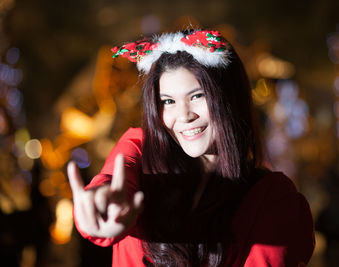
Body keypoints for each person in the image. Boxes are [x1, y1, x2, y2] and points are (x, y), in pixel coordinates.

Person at [68, 29, 315, 267]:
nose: (184, 116)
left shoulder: (272, 198)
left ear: (229, 97)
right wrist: (101, 208)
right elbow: (112, 183)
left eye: (197, 96)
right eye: (168, 101)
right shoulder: (139, 149)